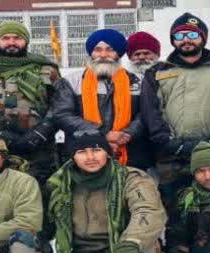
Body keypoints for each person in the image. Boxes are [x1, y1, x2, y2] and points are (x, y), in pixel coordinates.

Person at [45, 130, 166, 253]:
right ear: (73, 156)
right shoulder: (60, 183)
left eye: (96, 150)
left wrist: (130, 243)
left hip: (129, 246)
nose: (90, 157)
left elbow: (148, 211)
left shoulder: (131, 178)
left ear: (108, 153)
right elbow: (45, 218)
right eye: (82, 152)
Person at [0, 20, 59, 253]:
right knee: (2, 196)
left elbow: (59, 105)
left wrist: (41, 132)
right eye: (6, 38)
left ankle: (41, 245)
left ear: (26, 41)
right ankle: (1, 246)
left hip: (40, 145)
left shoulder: (46, 68)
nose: (11, 42)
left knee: (41, 194)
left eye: (17, 38)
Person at [140, 13, 210, 219]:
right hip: (172, 157)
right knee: (176, 214)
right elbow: (151, 112)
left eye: (192, 34)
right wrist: (169, 143)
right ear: (173, 41)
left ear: (203, 37)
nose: (186, 40)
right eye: (180, 36)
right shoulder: (157, 72)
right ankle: (178, 252)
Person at [51, 28, 151, 169]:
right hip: (84, 156)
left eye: (110, 49)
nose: (103, 55)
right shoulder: (71, 81)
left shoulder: (139, 81)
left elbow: (147, 113)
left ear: (119, 53)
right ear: (91, 52)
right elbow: (63, 115)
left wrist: (127, 133)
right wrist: (102, 134)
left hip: (131, 154)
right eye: (98, 49)